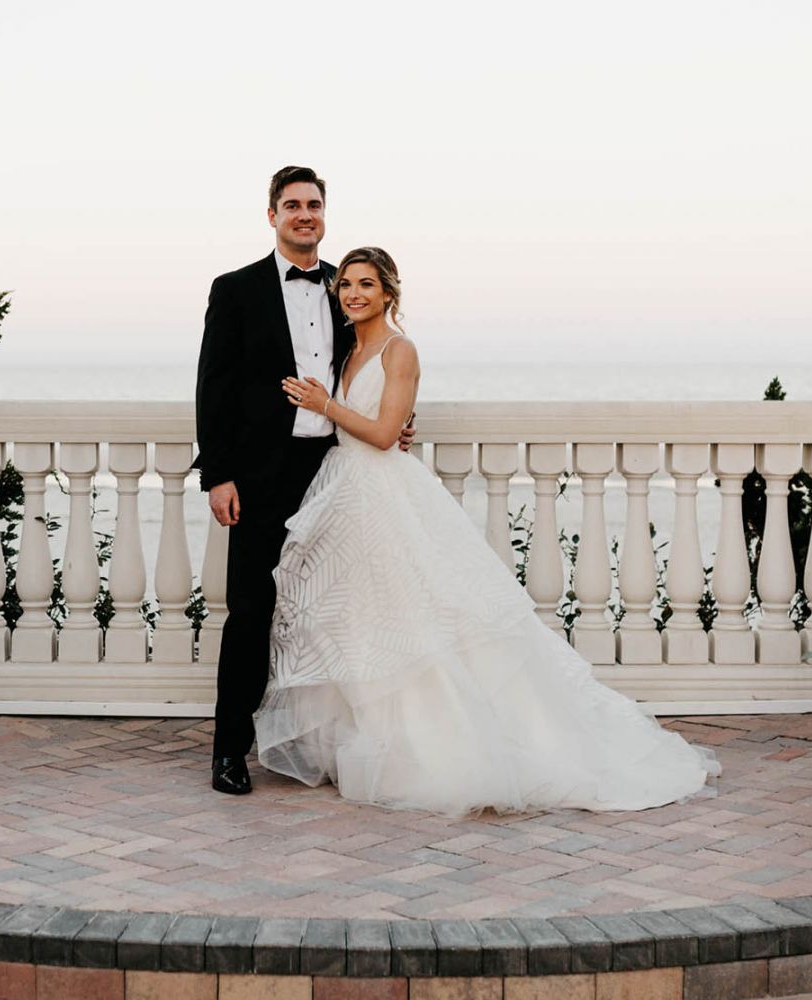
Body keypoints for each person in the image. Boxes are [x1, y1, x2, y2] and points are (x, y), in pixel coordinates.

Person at [263, 247, 719, 814]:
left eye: (366, 284)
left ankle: (440, 750)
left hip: (387, 494)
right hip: (347, 494)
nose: (353, 294)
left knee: (415, 623)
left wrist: (327, 405)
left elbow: (383, 434)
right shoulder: (350, 349)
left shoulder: (399, 350)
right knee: (364, 621)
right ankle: (375, 742)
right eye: (347, 285)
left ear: (388, 292)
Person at [193, 166, 413, 795]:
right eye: (291, 205)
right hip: (260, 478)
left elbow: (374, 363)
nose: (304, 215)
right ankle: (229, 753)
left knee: (337, 610)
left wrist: (394, 421)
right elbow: (213, 387)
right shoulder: (234, 290)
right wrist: (219, 474)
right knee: (251, 613)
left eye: (314, 204)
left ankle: (332, 747)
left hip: (337, 473)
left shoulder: (345, 288)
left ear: (324, 213)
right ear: (272, 216)